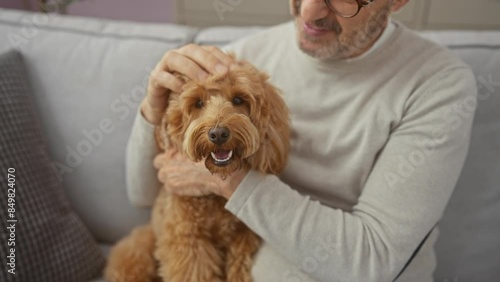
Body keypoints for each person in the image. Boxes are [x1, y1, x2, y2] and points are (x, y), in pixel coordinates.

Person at [126, 0, 477, 281]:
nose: (309, 11)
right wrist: (152, 108)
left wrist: (228, 182)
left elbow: (372, 262)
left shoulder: (438, 84)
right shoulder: (236, 59)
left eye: (342, 0)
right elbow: (141, 194)